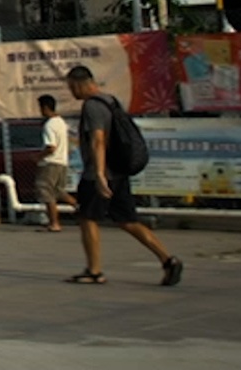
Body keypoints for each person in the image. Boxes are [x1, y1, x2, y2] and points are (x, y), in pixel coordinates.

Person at [63, 65, 182, 286]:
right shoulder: (111, 101)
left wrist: (98, 174)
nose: (72, 93)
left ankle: (94, 271)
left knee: (87, 218)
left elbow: (98, 140)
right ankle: (168, 259)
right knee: (128, 220)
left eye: (72, 87)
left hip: (100, 173)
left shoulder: (91, 106)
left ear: (80, 84)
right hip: (119, 172)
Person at [35, 93, 75, 233]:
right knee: (59, 192)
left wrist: (38, 157)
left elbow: (51, 147)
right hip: (62, 162)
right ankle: (82, 209)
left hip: (50, 163)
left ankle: (54, 223)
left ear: (45, 108)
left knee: (47, 193)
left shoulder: (49, 125)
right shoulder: (61, 122)